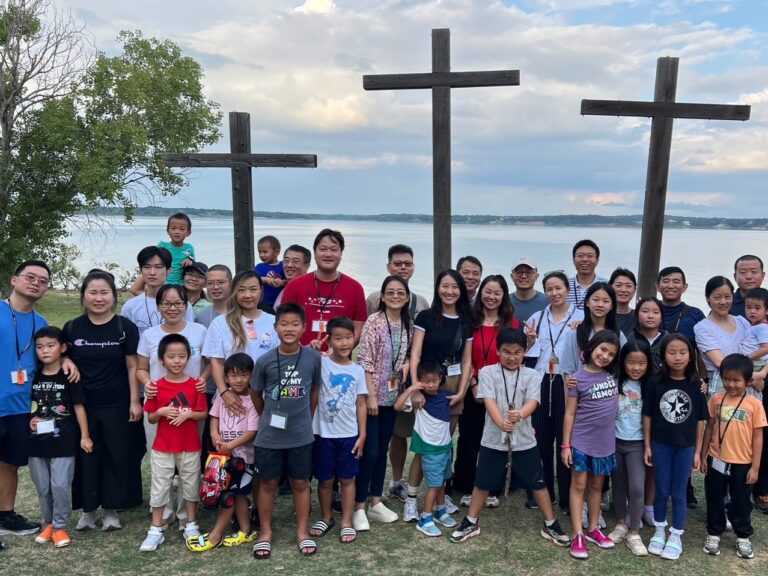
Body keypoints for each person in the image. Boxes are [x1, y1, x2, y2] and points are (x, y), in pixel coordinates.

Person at [449, 328, 570, 547]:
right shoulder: (487, 372)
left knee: (538, 483)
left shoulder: (532, 375)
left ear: (525, 352)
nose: (512, 357)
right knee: (482, 483)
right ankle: (471, 521)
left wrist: (521, 414)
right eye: (506, 352)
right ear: (498, 351)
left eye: (517, 352)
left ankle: (550, 524)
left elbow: (533, 401)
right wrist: (501, 422)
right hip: (492, 440)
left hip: (524, 441)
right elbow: (489, 400)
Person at [64, 270, 144, 532]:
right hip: (83, 405)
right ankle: (88, 511)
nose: (98, 298)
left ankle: (111, 510)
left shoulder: (124, 327)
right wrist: (65, 359)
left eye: (104, 293)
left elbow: (132, 366)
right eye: (93, 292)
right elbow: (59, 354)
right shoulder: (72, 328)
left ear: (113, 296)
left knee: (115, 456)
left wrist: (134, 401)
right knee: (86, 455)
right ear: (84, 296)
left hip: (117, 403)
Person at [250, 303, 323, 559]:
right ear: (275, 327)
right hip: (269, 436)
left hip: (301, 435)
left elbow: (314, 391)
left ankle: (302, 531)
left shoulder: (313, 358)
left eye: (295, 324)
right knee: (268, 483)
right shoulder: (264, 361)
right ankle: (265, 532)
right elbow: (256, 393)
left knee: (301, 483)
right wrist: (266, 417)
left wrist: (306, 419)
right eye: (284, 324)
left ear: (304, 327)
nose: (289, 329)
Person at [404, 270, 474, 521]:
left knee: (444, 447)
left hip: (452, 389)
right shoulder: (426, 316)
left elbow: (466, 361)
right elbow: (415, 354)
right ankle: (411, 499)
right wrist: (415, 388)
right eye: (445, 286)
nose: (449, 291)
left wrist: (462, 392)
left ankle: (440, 499)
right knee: (424, 448)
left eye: (455, 287)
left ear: (461, 290)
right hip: (428, 387)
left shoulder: (466, 320)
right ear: (437, 288)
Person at [0, 260, 61, 540]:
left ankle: (6, 516)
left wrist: (66, 361)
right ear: (14, 280)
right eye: (30, 277)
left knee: (9, 463)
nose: (36, 283)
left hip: (20, 407)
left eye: (43, 281)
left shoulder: (42, 323)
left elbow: (50, 355)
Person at [454, 275, 518, 507]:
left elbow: (514, 356)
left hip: (501, 390)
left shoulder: (510, 324)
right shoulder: (470, 321)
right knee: (470, 438)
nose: (492, 297)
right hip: (473, 387)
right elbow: (464, 356)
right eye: (487, 292)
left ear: (504, 296)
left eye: (497, 293)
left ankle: (492, 487)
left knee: (496, 439)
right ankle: (467, 485)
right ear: (481, 293)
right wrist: (473, 384)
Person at [643, 334, 708, 561]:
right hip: (660, 445)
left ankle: (676, 535)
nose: (678, 357)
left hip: (685, 447)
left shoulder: (697, 385)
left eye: (683, 352)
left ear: (691, 356)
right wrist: (648, 446)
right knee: (661, 490)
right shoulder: (655, 382)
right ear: (663, 356)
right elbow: (647, 415)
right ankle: (660, 530)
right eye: (672, 352)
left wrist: (698, 452)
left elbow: (700, 421)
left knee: (679, 493)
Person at [140, 334, 208, 551]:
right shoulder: (156, 387)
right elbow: (151, 417)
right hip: (163, 446)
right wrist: (160, 412)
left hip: (190, 445)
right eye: (171, 357)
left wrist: (189, 415)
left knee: (191, 485)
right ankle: (156, 529)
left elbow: (203, 413)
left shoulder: (195, 385)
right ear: (161, 360)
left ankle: (191, 524)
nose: (177, 361)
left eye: (181, 356)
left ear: (188, 358)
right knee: (160, 486)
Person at [186, 353, 259, 552]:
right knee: (238, 496)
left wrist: (231, 445)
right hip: (223, 458)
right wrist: (214, 434)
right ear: (225, 377)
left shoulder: (253, 400)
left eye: (244, 375)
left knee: (229, 495)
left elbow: (252, 431)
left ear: (251, 376)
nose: (239, 380)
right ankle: (245, 530)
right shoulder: (221, 396)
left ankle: (215, 535)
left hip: (244, 460)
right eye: (233, 375)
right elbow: (214, 417)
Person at [524, 271, 583, 516]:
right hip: (541, 382)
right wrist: (530, 341)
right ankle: (542, 492)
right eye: (549, 289)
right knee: (541, 441)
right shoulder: (537, 318)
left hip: (568, 382)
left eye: (558, 288)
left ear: (567, 289)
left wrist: (581, 331)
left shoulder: (581, 317)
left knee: (566, 439)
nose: (554, 293)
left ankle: (568, 498)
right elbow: (526, 355)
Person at [355, 276, 412, 529]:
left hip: (392, 398)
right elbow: (365, 360)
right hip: (373, 398)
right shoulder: (374, 321)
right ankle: (359, 506)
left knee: (382, 450)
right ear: (382, 296)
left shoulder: (408, 324)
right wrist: (370, 396)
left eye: (401, 292)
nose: (395, 296)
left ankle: (376, 501)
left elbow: (408, 354)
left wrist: (407, 364)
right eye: (390, 292)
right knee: (370, 452)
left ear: (407, 298)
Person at [28, 327, 91, 549]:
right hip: (35, 443)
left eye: (50, 346)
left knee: (60, 485)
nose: (44, 351)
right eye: (39, 347)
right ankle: (48, 523)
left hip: (64, 442)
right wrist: (29, 420)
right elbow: (24, 404)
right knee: (43, 487)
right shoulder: (32, 375)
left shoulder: (70, 376)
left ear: (63, 348)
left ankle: (60, 527)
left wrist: (85, 436)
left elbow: (79, 407)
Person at [701, 353, 767, 560]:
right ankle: (714, 532)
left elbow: (758, 436)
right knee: (714, 497)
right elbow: (709, 427)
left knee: (741, 500)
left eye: (736, 380)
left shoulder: (754, 404)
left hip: (743, 462)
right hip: (716, 458)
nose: (731, 384)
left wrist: (755, 467)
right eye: (726, 379)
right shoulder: (716, 399)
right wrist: (703, 455)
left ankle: (743, 535)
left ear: (748, 381)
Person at [562, 330, 620, 559]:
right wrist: (566, 445)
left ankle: (593, 528)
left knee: (597, 487)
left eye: (611, 354)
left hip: (605, 445)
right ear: (591, 347)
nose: (605, 356)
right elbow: (569, 413)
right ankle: (578, 533)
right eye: (602, 349)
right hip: (581, 443)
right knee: (578, 487)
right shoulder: (576, 379)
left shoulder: (614, 375)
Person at [309, 317, 367, 543]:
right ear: (329, 340)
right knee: (325, 480)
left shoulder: (357, 370)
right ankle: (326, 517)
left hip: (349, 434)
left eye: (348, 337)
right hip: (323, 434)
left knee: (347, 479)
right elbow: (302, 362)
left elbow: (361, 404)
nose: (344, 343)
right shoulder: (320, 363)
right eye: (338, 338)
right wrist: (312, 349)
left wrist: (362, 434)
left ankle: (346, 521)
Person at [656, 266, 706, 508]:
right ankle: (656, 486)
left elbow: (701, 351)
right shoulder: (650, 309)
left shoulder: (695, 314)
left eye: (677, 281)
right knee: (659, 432)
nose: (671, 285)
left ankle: (685, 485)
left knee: (683, 429)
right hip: (655, 381)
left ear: (685, 287)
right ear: (657, 285)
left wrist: (702, 379)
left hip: (685, 381)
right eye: (666, 281)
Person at [202, 271, 279, 418]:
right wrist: (224, 393)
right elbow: (216, 362)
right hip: (233, 397)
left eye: (253, 289)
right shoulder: (220, 323)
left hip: (266, 394)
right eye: (241, 290)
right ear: (234, 292)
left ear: (261, 291)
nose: (247, 295)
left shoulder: (273, 322)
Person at [394, 359, 456, 537]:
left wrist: (465, 385)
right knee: (434, 485)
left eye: (434, 381)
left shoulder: (446, 397)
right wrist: (412, 389)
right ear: (419, 381)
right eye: (426, 381)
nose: (430, 385)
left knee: (441, 482)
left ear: (440, 379)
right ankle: (425, 518)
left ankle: (440, 510)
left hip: (445, 448)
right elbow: (398, 406)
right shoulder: (418, 400)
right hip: (430, 451)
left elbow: (461, 393)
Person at [280, 229, 367, 350]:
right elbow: (283, 321)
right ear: (315, 253)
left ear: (341, 254)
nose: (328, 254)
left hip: (338, 358)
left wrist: (341, 350)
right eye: (323, 249)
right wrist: (300, 351)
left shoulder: (355, 288)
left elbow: (359, 325)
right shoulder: (295, 285)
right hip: (300, 355)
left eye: (334, 249)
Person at [607, 340, 652, 556]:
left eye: (641, 363)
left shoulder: (651, 385)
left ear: (648, 363)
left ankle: (634, 531)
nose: (636, 368)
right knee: (618, 483)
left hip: (637, 444)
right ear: (622, 362)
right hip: (615, 441)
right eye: (631, 362)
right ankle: (621, 523)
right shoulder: (614, 382)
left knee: (636, 487)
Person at [694, 276, 756, 396]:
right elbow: (720, 363)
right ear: (708, 298)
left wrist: (760, 374)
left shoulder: (742, 321)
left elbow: (757, 349)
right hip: (722, 385)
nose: (723, 302)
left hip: (749, 384)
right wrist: (754, 377)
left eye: (727, 297)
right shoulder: (702, 328)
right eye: (717, 297)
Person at [122, 246, 194, 335]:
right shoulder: (131, 306)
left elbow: (190, 335)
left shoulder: (183, 306)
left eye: (158, 267)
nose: (152, 272)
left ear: (169, 270)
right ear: (140, 270)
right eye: (147, 267)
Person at [129, 212, 196, 294]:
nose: (177, 232)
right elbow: (152, 258)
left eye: (181, 229)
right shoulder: (162, 245)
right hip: (162, 283)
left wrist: (189, 260)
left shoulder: (189, 248)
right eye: (173, 228)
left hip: (180, 285)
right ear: (168, 231)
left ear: (188, 233)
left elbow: (193, 263)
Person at [365, 244, 430, 316]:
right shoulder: (374, 300)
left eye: (408, 264)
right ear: (388, 267)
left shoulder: (422, 302)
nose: (403, 267)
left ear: (413, 267)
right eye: (398, 264)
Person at [628, 297, 667, 377]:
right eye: (645, 311)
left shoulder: (668, 341)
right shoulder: (629, 340)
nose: (650, 316)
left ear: (661, 318)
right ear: (637, 315)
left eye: (656, 312)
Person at [567, 240, 607, 310]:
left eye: (590, 256)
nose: (585, 259)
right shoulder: (564, 286)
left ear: (597, 261)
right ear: (573, 260)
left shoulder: (607, 285)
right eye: (580, 256)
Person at [509, 257, 548, 326]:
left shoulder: (548, 302)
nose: (524, 276)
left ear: (536, 276)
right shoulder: (505, 302)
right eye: (519, 272)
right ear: (512, 276)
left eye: (529, 272)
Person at [255, 235, 287, 308]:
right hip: (263, 302)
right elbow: (253, 280)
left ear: (276, 252)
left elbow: (289, 281)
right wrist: (266, 280)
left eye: (265, 252)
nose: (261, 255)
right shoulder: (259, 267)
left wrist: (282, 282)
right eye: (259, 252)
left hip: (280, 302)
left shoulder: (283, 266)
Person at [732, 255, 765, 319]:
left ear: (763, 275)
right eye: (743, 272)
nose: (749, 277)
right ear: (735, 277)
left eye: (754, 272)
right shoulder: (726, 303)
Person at [610, 268, 637, 336]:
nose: (623, 290)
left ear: (634, 290)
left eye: (629, 286)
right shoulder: (602, 315)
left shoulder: (639, 317)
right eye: (618, 285)